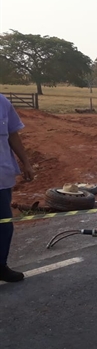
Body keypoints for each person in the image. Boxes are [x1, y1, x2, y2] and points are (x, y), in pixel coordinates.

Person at [0, 93, 34, 283]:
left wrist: (26, 163)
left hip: (2, 177)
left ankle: (1, 266)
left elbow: (13, 135)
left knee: (4, 226)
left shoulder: (2, 102)